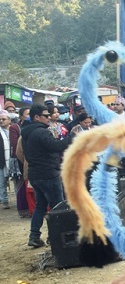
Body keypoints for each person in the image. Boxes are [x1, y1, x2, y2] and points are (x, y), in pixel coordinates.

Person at [20, 104, 72, 247]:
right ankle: (55, 237)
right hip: (48, 174)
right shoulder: (41, 132)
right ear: (37, 117)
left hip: (35, 174)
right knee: (58, 207)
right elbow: (56, 146)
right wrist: (72, 137)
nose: (49, 117)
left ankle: (34, 236)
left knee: (40, 206)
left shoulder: (26, 132)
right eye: (46, 115)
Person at [0, 110, 11, 208]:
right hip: (2, 161)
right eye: (0, 119)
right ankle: (4, 201)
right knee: (2, 182)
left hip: (12, 160)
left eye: (3, 119)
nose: (1, 121)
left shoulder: (14, 130)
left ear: (9, 120)